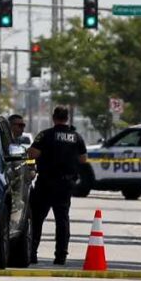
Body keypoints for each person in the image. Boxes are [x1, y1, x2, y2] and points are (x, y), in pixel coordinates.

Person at [27, 106, 88, 265]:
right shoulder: (76, 137)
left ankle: (32, 252)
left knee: (37, 219)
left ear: (54, 118)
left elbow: (32, 153)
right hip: (65, 184)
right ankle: (61, 256)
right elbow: (83, 159)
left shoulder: (46, 135)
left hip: (46, 182)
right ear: (67, 118)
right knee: (62, 220)